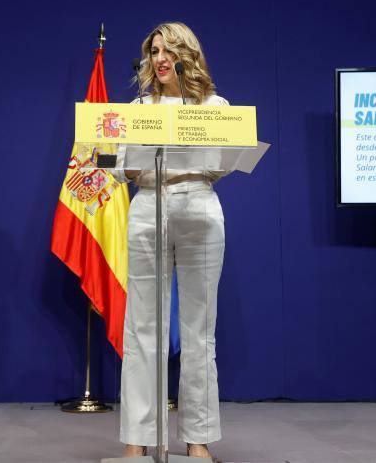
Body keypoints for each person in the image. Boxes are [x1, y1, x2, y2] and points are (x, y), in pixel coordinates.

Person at [118, 23, 228, 460]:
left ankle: (197, 438)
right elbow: (124, 167)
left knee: (201, 332)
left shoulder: (215, 105)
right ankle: (137, 439)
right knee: (142, 331)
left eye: (168, 51)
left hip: (199, 206)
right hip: (148, 205)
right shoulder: (139, 105)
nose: (159, 58)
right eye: (154, 51)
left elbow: (220, 164)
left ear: (187, 55)